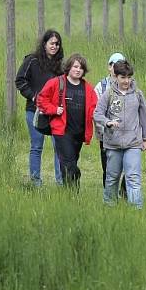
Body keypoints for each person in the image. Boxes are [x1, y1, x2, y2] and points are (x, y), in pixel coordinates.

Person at [93, 60, 146, 209]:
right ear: (116, 77)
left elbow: (144, 117)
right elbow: (97, 114)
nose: (126, 81)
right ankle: (109, 206)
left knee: (133, 177)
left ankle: (136, 209)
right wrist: (107, 122)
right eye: (123, 77)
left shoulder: (138, 94)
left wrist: (145, 138)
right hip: (113, 143)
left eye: (129, 77)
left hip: (133, 143)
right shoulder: (109, 93)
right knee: (112, 177)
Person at [37, 53, 98, 189]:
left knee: (69, 163)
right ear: (69, 67)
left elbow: (95, 108)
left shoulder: (88, 88)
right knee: (70, 163)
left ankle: (68, 192)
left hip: (79, 132)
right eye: (75, 66)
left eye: (81, 68)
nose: (78, 70)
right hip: (62, 131)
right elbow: (41, 99)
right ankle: (74, 190)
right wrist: (53, 109)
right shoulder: (57, 82)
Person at [15, 30, 64, 187]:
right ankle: (35, 181)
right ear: (44, 44)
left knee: (59, 146)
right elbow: (20, 80)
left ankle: (60, 181)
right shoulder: (32, 60)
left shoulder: (60, 66)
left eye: (57, 44)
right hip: (34, 110)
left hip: (55, 112)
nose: (54, 46)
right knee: (37, 145)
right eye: (52, 43)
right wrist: (33, 95)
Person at [94, 52, 127, 197]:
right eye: (114, 64)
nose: (117, 68)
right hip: (106, 135)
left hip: (126, 135)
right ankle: (109, 195)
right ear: (109, 67)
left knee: (128, 165)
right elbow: (96, 112)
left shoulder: (130, 86)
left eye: (121, 64)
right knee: (108, 167)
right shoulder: (101, 86)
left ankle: (125, 193)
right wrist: (103, 130)